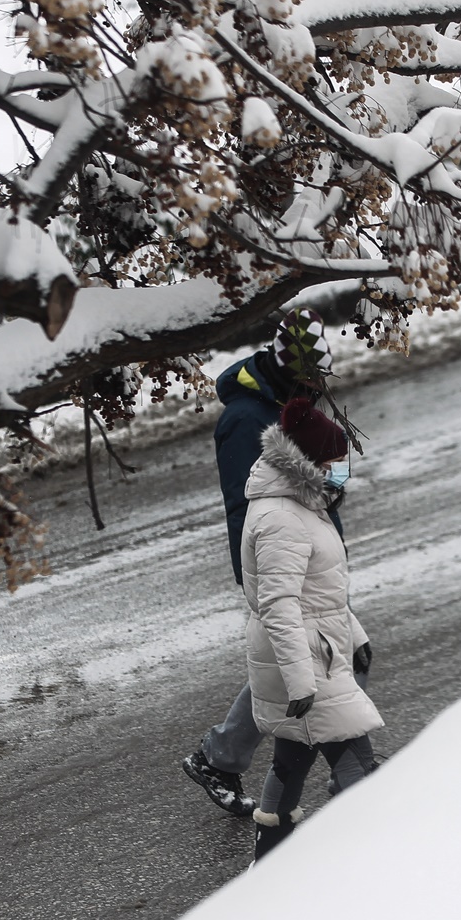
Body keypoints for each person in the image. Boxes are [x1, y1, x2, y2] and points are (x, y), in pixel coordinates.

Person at [180, 309, 375, 817]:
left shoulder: (293, 399)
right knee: (304, 660)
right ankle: (351, 778)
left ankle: (230, 762)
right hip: (282, 557)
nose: (317, 388)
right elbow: (249, 505)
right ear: (289, 369)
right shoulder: (245, 419)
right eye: (310, 379)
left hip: (310, 545)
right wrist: (276, 564)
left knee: (307, 657)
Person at [242, 398, 383, 860]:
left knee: (292, 761)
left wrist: (354, 633)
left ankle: (268, 863)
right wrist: (301, 679)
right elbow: (279, 603)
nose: (341, 469)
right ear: (310, 463)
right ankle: (377, 860)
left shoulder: (299, 504)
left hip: (312, 651)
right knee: (358, 765)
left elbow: (318, 590)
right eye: (336, 461)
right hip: (305, 662)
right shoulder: (281, 518)